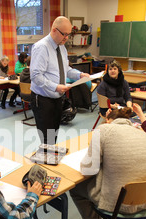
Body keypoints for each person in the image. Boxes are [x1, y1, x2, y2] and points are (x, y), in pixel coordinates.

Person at [69, 107, 146, 219]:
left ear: (108, 121)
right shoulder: (143, 133)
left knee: (76, 188)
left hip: (119, 206)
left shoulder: (104, 130)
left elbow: (88, 170)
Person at [30, 16, 90, 145]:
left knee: (54, 134)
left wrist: (80, 75)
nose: (66, 38)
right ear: (54, 30)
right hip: (43, 99)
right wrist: (55, 86)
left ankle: (50, 158)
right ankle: (47, 160)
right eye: (64, 34)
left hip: (57, 98)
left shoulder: (61, 47)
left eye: (69, 34)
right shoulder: (42, 47)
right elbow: (35, 76)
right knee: (47, 138)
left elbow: (65, 69)